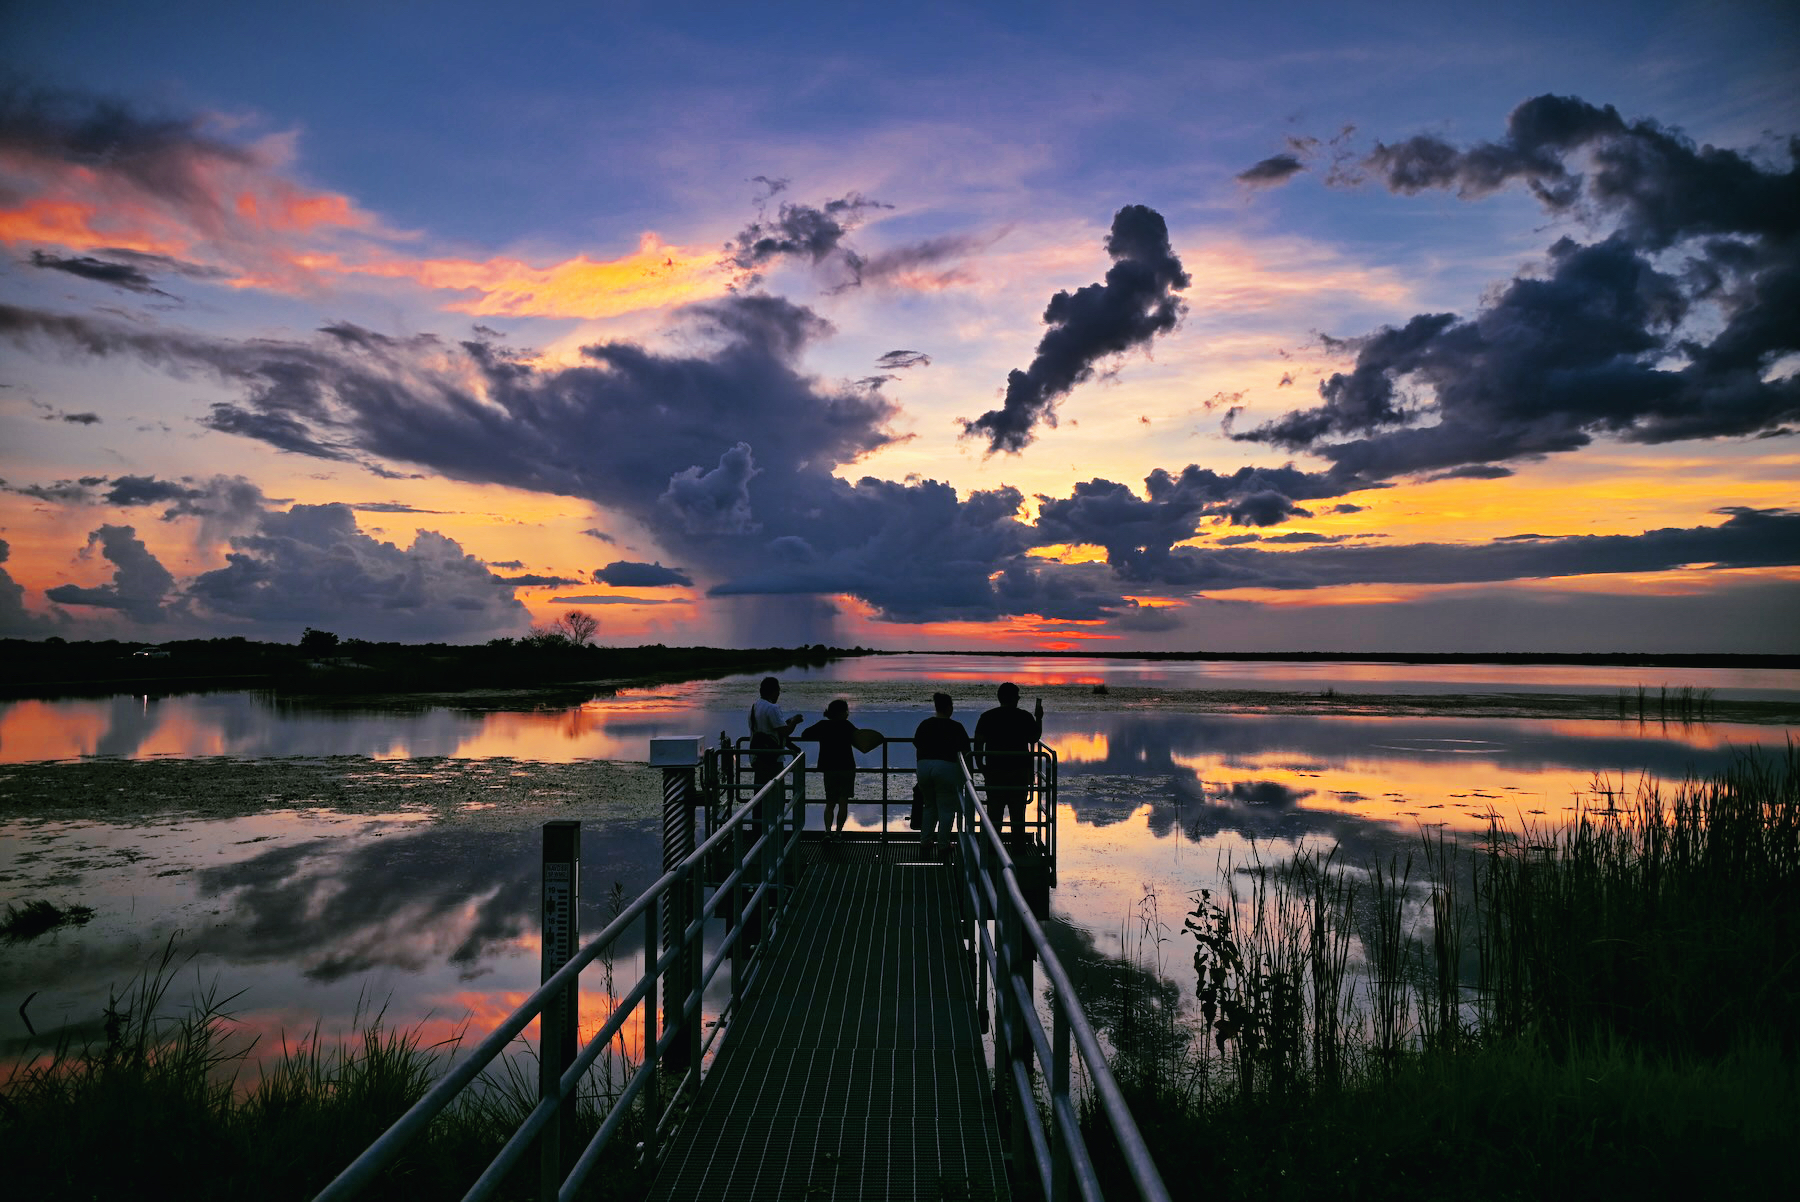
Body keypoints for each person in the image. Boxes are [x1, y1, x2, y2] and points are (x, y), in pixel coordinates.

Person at [973, 682, 1043, 848]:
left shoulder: (987, 717)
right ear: (1013, 698)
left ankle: (991, 849)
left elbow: (978, 743)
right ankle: (1018, 848)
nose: (1019, 699)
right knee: (1018, 815)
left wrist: (980, 765)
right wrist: (1039, 718)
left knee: (994, 814)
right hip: (1019, 774)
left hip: (995, 772)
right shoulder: (1025, 716)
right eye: (1017, 696)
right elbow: (1034, 737)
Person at [913, 692, 971, 860]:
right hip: (946, 768)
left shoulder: (925, 724)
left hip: (924, 767)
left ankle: (925, 840)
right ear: (948, 708)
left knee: (930, 806)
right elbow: (966, 753)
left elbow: (917, 743)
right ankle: (943, 844)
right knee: (946, 808)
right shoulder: (956, 727)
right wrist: (970, 776)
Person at [801, 698, 861, 835]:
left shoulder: (823, 725)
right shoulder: (847, 726)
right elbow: (861, 738)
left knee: (830, 803)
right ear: (840, 712)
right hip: (847, 767)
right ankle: (839, 832)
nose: (848, 713)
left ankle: (827, 832)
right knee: (843, 802)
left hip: (829, 768)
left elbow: (805, 734)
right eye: (846, 710)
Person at [748, 676, 803, 803]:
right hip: (772, 758)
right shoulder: (773, 708)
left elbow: (768, 728)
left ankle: (759, 821)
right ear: (774, 691)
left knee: (760, 794)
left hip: (757, 756)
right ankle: (774, 821)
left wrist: (787, 722)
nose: (778, 694)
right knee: (775, 794)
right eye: (778, 691)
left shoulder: (754, 706)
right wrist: (794, 721)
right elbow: (784, 731)